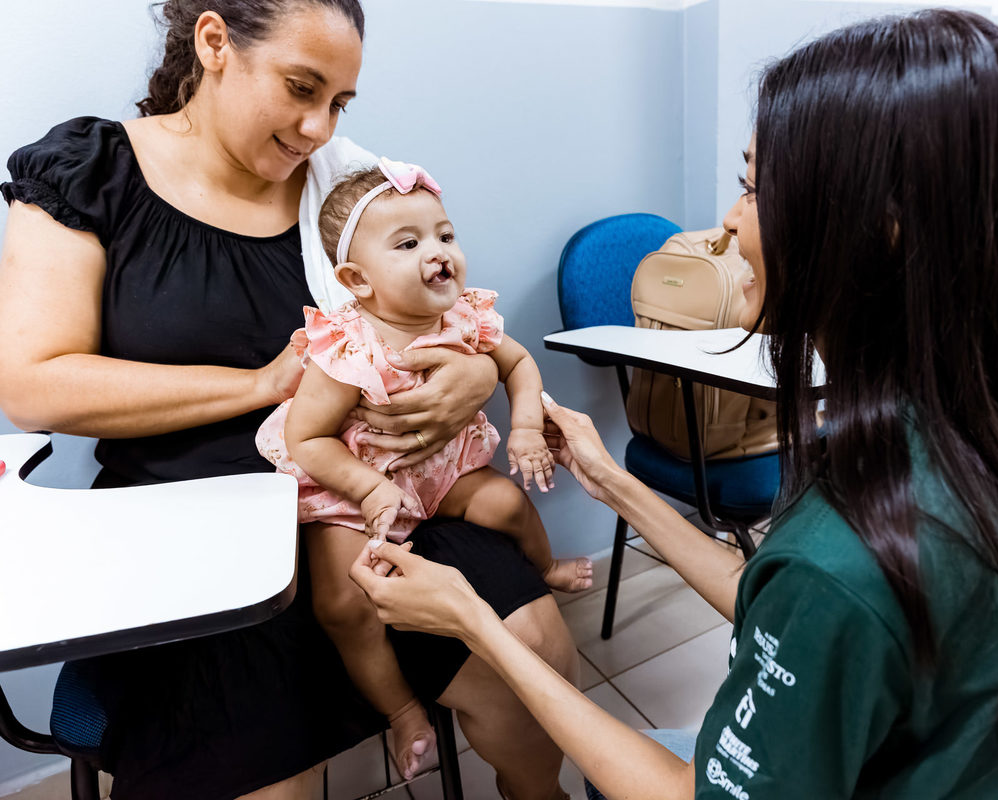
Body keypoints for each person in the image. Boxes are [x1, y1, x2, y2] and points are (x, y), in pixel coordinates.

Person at [349, 9, 998, 799]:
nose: (730, 224)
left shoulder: (847, 560)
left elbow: (697, 776)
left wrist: (474, 623)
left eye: (753, 190)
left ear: (881, 230)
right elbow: (777, 602)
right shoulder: (979, 445)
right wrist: (612, 480)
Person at [0, 2, 576, 798]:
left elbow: (434, 304)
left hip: (372, 494)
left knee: (534, 650)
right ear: (214, 43)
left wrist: (477, 376)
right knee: (263, 765)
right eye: (302, 88)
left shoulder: (341, 185)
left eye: (339, 103)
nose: (317, 127)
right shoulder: (91, 172)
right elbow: (32, 385)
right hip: (198, 527)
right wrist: (259, 385)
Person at [255, 158, 593, 778]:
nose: (438, 252)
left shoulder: (465, 318)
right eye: (408, 244)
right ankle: (403, 711)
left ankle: (544, 565)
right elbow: (306, 438)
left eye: (444, 234)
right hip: (356, 493)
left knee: (508, 504)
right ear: (357, 279)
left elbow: (519, 365)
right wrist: (367, 487)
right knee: (343, 602)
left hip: (442, 474)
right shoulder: (346, 348)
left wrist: (525, 427)